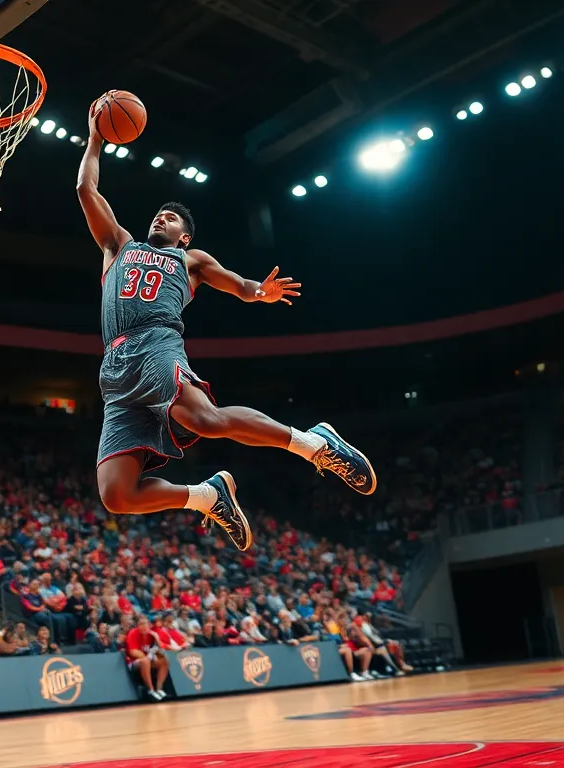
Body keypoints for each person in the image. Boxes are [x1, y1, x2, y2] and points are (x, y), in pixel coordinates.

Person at [77, 101, 376, 551]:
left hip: (156, 345)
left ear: (185, 236)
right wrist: (96, 139)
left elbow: (236, 284)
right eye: (159, 213)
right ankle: (205, 496)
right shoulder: (118, 244)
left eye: (172, 217)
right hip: (115, 369)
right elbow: (86, 188)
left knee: (206, 419)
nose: (161, 217)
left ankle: (313, 443)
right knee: (117, 495)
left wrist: (259, 291)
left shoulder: (190, 259)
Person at [124, 615, 167, 701]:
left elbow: (161, 649)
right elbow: (133, 652)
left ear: (149, 625)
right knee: (145, 661)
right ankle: (151, 690)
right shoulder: (133, 633)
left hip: (147, 660)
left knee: (164, 660)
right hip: (133, 663)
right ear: (137, 625)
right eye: (140, 624)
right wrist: (148, 657)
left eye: (145, 624)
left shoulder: (151, 634)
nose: (143, 626)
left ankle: (159, 689)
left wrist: (157, 638)